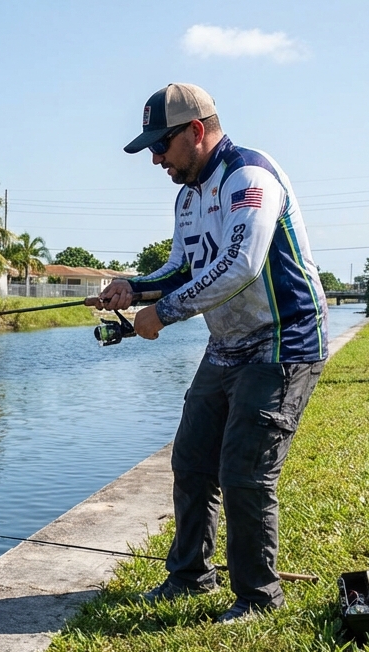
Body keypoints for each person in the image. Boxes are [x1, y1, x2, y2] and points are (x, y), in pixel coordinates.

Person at [88, 83, 328, 624]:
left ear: (195, 132)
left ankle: (257, 597)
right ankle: (191, 576)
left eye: (161, 145)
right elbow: (182, 268)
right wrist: (134, 287)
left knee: (243, 470)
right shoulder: (188, 196)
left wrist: (164, 313)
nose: (155, 159)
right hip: (227, 344)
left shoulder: (250, 178)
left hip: (284, 339)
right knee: (192, 460)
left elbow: (242, 263)